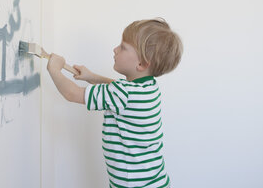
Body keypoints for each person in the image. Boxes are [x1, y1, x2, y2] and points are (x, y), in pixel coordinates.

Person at [47, 18, 183, 188]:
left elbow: (72, 93)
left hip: (133, 185)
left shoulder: (122, 93)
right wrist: (92, 77)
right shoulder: (148, 88)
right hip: (154, 181)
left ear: (141, 64)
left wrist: (54, 69)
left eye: (123, 47)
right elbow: (118, 88)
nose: (115, 49)